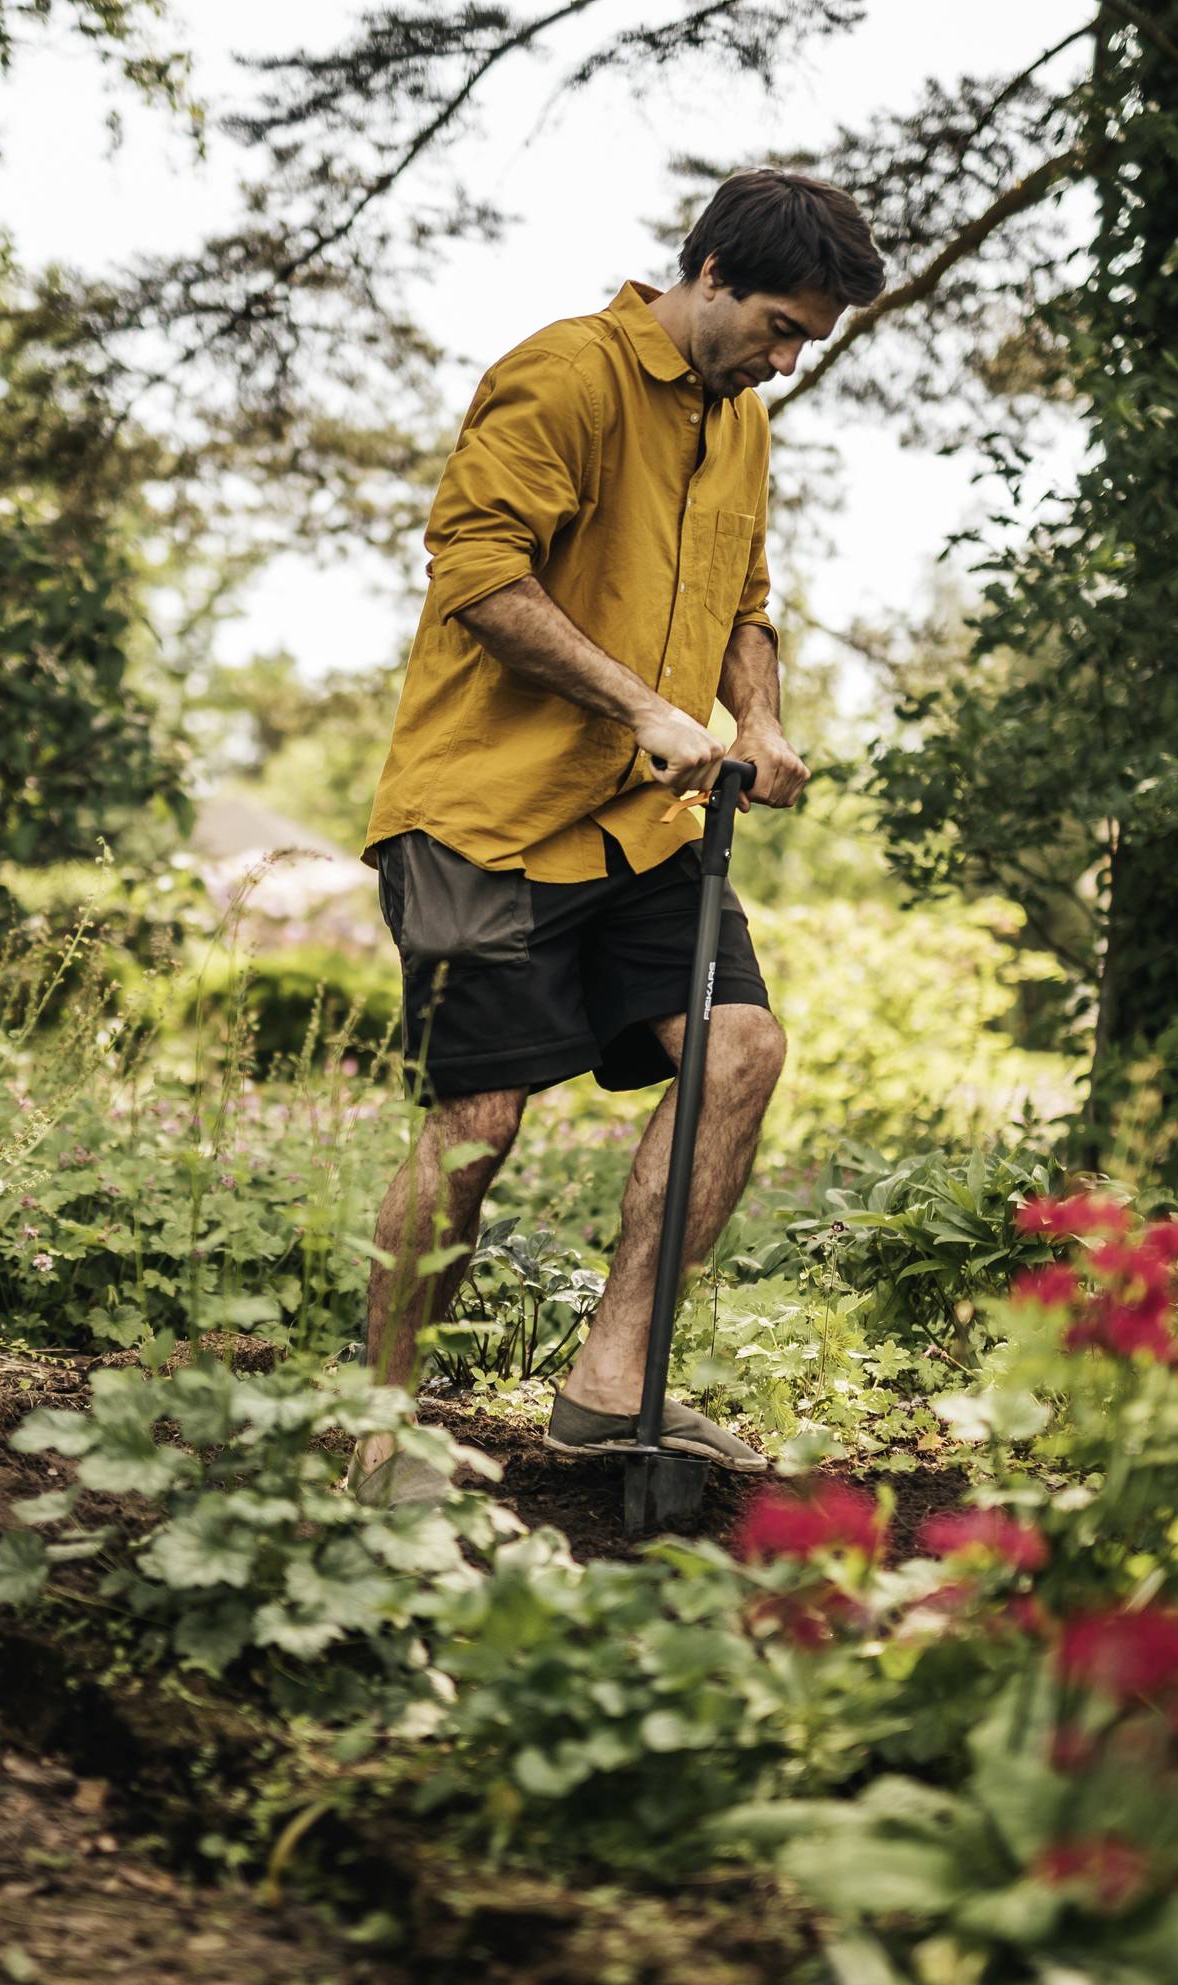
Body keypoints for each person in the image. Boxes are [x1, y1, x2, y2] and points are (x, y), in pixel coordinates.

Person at [349, 168, 885, 1504]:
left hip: (640, 827)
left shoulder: (739, 422)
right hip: (485, 818)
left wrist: (755, 720)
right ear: (707, 274)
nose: (784, 359)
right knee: (477, 1119)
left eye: (805, 341)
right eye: (775, 325)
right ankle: (379, 1435)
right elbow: (479, 579)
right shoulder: (563, 377)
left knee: (740, 1049)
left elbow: (743, 601)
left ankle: (606, 1383)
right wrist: (645, 704)